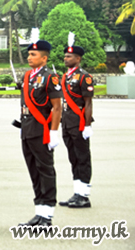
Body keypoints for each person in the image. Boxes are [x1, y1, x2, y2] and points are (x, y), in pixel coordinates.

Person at [17, 31, 63, 227]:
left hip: (42, 130)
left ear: (44, 58)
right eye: (28, 54)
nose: (29, 57)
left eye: (33, 55)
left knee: (45, 170)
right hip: (27, 129)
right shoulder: (28, 76)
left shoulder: (50, 77)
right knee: (33, 170)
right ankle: (39, 212)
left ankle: (48, 215)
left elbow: (57, 106)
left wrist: (53, 131)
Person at [59, 34, 94, 208]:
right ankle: (77, 192)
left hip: (79, 123)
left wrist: (87, 125)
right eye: (65, 56)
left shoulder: (84, 77)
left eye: (69, 56)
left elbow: (88, 103)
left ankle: (84, 195)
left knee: (83, 158)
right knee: (73, 158)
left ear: (78, 59)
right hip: (67, 123)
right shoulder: (65, 76)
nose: (65, 58)